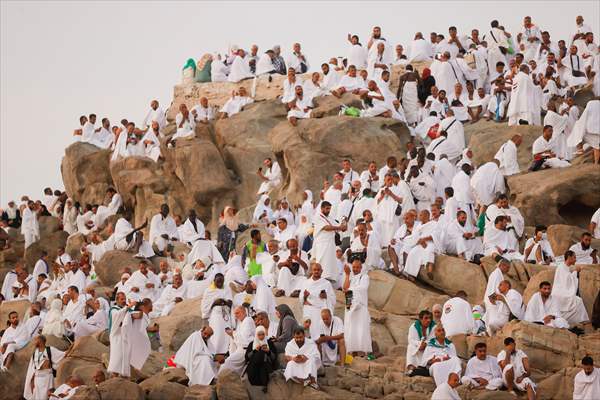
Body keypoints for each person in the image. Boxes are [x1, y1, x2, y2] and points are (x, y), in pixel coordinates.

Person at [342, 257, 371, 357]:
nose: (355, 269)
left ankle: (362, 354)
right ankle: (351, 355)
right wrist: (347, 275)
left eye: (357, 267)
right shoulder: (350, 277)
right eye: (353, 267)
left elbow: (363, 288)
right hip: (350, 305)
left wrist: (350, 290)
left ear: (361, 267)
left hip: (360, 307)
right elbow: (345, 288)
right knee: (350, 330)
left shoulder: (365, 277)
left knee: (361, 331)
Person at [552, 250, 590, 325]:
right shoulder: (561, 267)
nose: (576, 259)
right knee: (578, 301)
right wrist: (575, 272)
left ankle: (580, 320)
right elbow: (566, 281)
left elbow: (567, 279)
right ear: (569, 257)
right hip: (560, 294)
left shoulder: (566, 267)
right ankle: (581, 320)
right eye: (574, 257)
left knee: (578, 301)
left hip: (563, 293)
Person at [313, 201, 346, 285]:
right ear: (322, 208)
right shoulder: (318, 217)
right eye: (327, 209)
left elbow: (340, 228)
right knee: (322, 262)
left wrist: (344, 222)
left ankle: (328, 281)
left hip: (331, 244)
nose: (328, 211)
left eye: (329, 209)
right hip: (322, 244)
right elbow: (326, 227)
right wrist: (339, 227)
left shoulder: (329, 218)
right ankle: (320, 280)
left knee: (330, 263)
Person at [299, 263, 335, 340]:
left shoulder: (326, 283)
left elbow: (333, 299)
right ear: (312, 271)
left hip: (321, 311)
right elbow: (301, 298)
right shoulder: (306, 282)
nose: (316, 271)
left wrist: (326, 296)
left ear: (321, 271)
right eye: (314, 270)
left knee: (320, 333)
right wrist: (305, 296)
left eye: (318, 270)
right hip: (309, 310)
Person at [23, 334, 65, 400]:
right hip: (37, 381)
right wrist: (32, 383)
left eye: (35, 340)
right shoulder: (34, 353)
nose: (34, 342)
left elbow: (62, 355)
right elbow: (32, 370)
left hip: (48, 379)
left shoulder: (50, 350)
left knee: (48, 397)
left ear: (40, 340)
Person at [201, 273, 232, 354]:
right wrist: (215, 302)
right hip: (216, 316)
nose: (220, 283)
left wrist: (224, 301)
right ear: (214, 280)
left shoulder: (227, 289)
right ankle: (215, 352)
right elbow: (205, 307)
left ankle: (226, 352)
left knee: (226, 334)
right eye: (218, 281)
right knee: (216, 335)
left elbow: (230, 302)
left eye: (222, 281)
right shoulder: (208, 291)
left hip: (225, 316)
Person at [221, 306, 255, 375]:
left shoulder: (248, 320)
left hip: (245, 350)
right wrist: (232, 335)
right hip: (239, 349)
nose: (236, 316)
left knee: (227, 363)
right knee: (226, 363)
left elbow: (245, 338)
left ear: (244, 312)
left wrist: (233, 333)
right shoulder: (240, 323)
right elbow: (238, 337)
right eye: (235, 314)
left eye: (237, 313)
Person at [568, 100, 599, 165]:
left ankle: (596, 163)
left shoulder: (590, 105)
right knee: (595, 147)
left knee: (596, 147)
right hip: (594, 131)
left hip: (592, 131)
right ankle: (595, 162)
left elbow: (583, 118)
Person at [406, 310, 436, 376]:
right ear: (420, 319)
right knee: (410, 346)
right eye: (426, 318)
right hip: (418, 348)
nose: (428, 320)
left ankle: (425, 367)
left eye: (430, 318)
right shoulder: (414, 327)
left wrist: (425, 344)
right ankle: (411, 367)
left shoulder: (434, 326)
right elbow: (411, 340)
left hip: (429, 347)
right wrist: (420, 344)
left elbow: (434, 339)